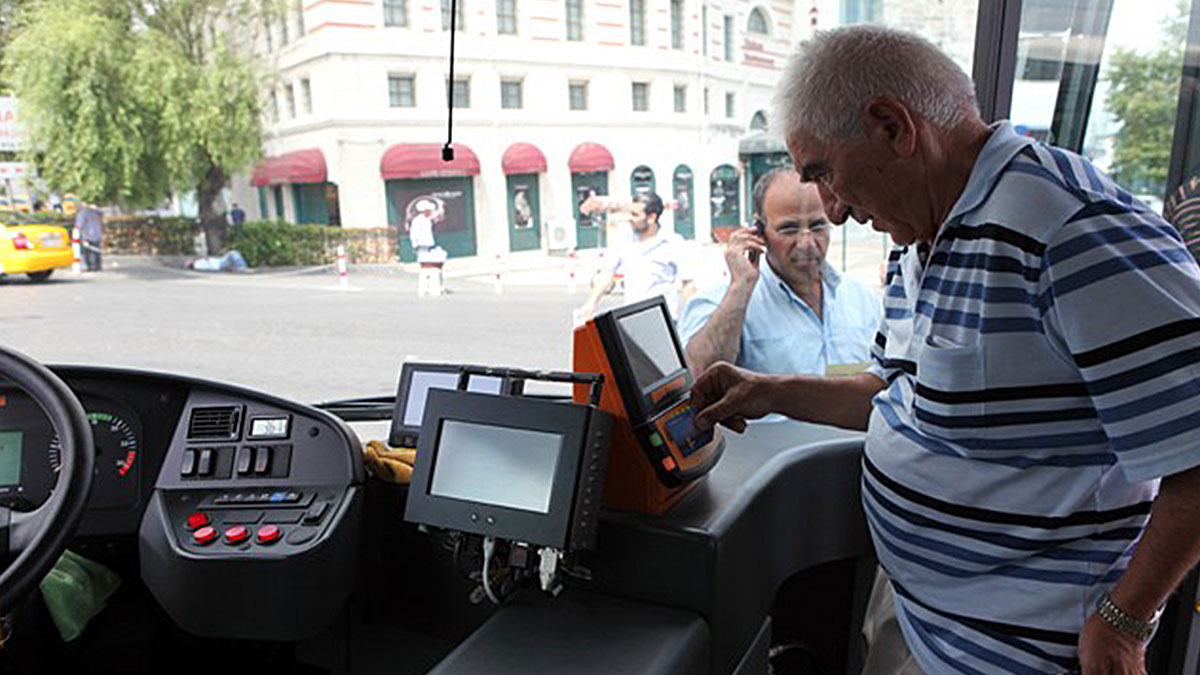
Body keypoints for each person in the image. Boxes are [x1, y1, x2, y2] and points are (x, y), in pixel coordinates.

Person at [691, 25, 1200, 675]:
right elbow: (897, 392)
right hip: (928, 624)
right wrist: (769, 391)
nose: (835, 211)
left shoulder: (1069, 226)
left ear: (893, 128)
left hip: (1029, 654)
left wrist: (1126, 620)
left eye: (825, 173)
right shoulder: (920, 234)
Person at [678, 167, 881, 376]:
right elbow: (698, 376)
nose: (807, 243)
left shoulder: (862, 300)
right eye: (789, 229)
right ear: (758, 231)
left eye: (818, 226)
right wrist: (740, 288)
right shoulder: (721, 303)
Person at [577, 192, 696, 319]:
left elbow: (688, 283)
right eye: (629, 213)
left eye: (635, 215)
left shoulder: (673, 243)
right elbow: (607, 273)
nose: (629, 218)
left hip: (662, 319)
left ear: (651, 218)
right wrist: (591, 303)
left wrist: (695, 315)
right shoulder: (623, 240)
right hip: (631, 318)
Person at [75, 203, 103, 272]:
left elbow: (79, 226)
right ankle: (97, 266)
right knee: (96, 251)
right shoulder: (96, 212)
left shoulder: (81, 214)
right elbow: (101, 213)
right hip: (97, 234)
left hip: (87, 235)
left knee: (87, 252)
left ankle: (90, 266)